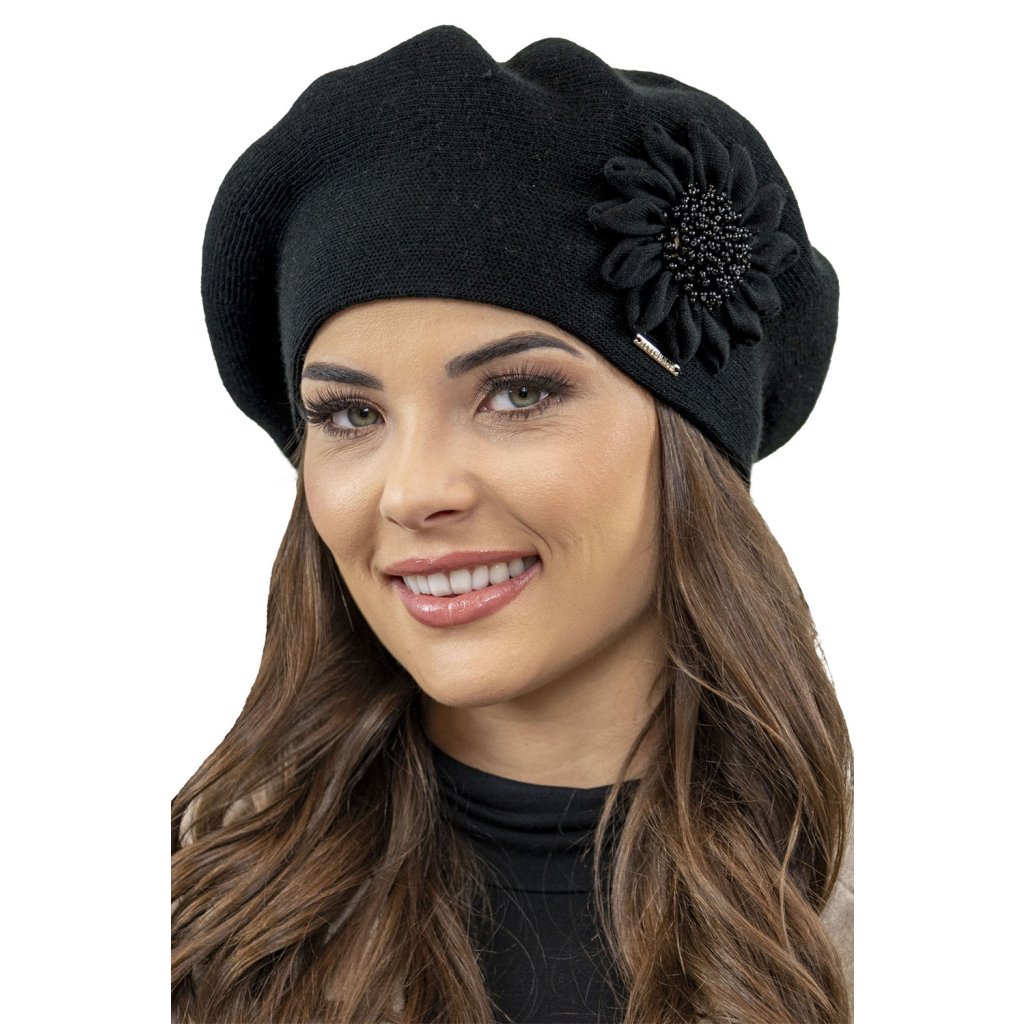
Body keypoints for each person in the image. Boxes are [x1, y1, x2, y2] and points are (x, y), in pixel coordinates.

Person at [172, 25, 854, 1024]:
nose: (412, 492)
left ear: (689, 442)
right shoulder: (182, 937)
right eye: (350, 415)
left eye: (519, 393)